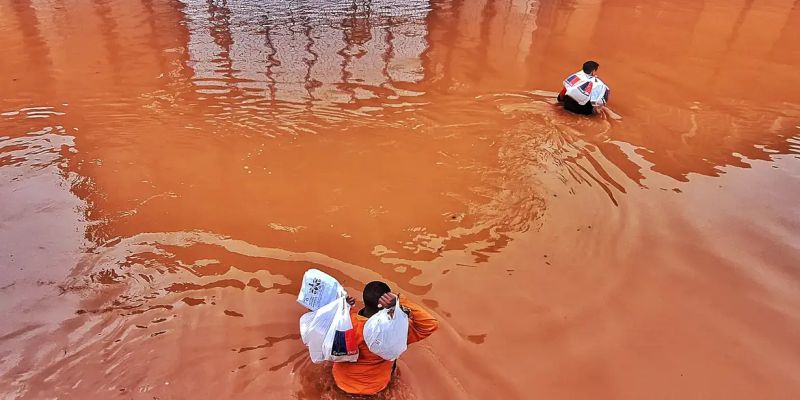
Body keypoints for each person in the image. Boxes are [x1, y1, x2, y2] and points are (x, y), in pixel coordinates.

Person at [333, 281, 439, 395]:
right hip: (376, 387)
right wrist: (400, 301)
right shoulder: (396, 331)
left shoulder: (344, 322)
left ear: (364, 300)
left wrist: (343, 307)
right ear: (385, 304)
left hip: (341, 382)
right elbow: (430, 324)